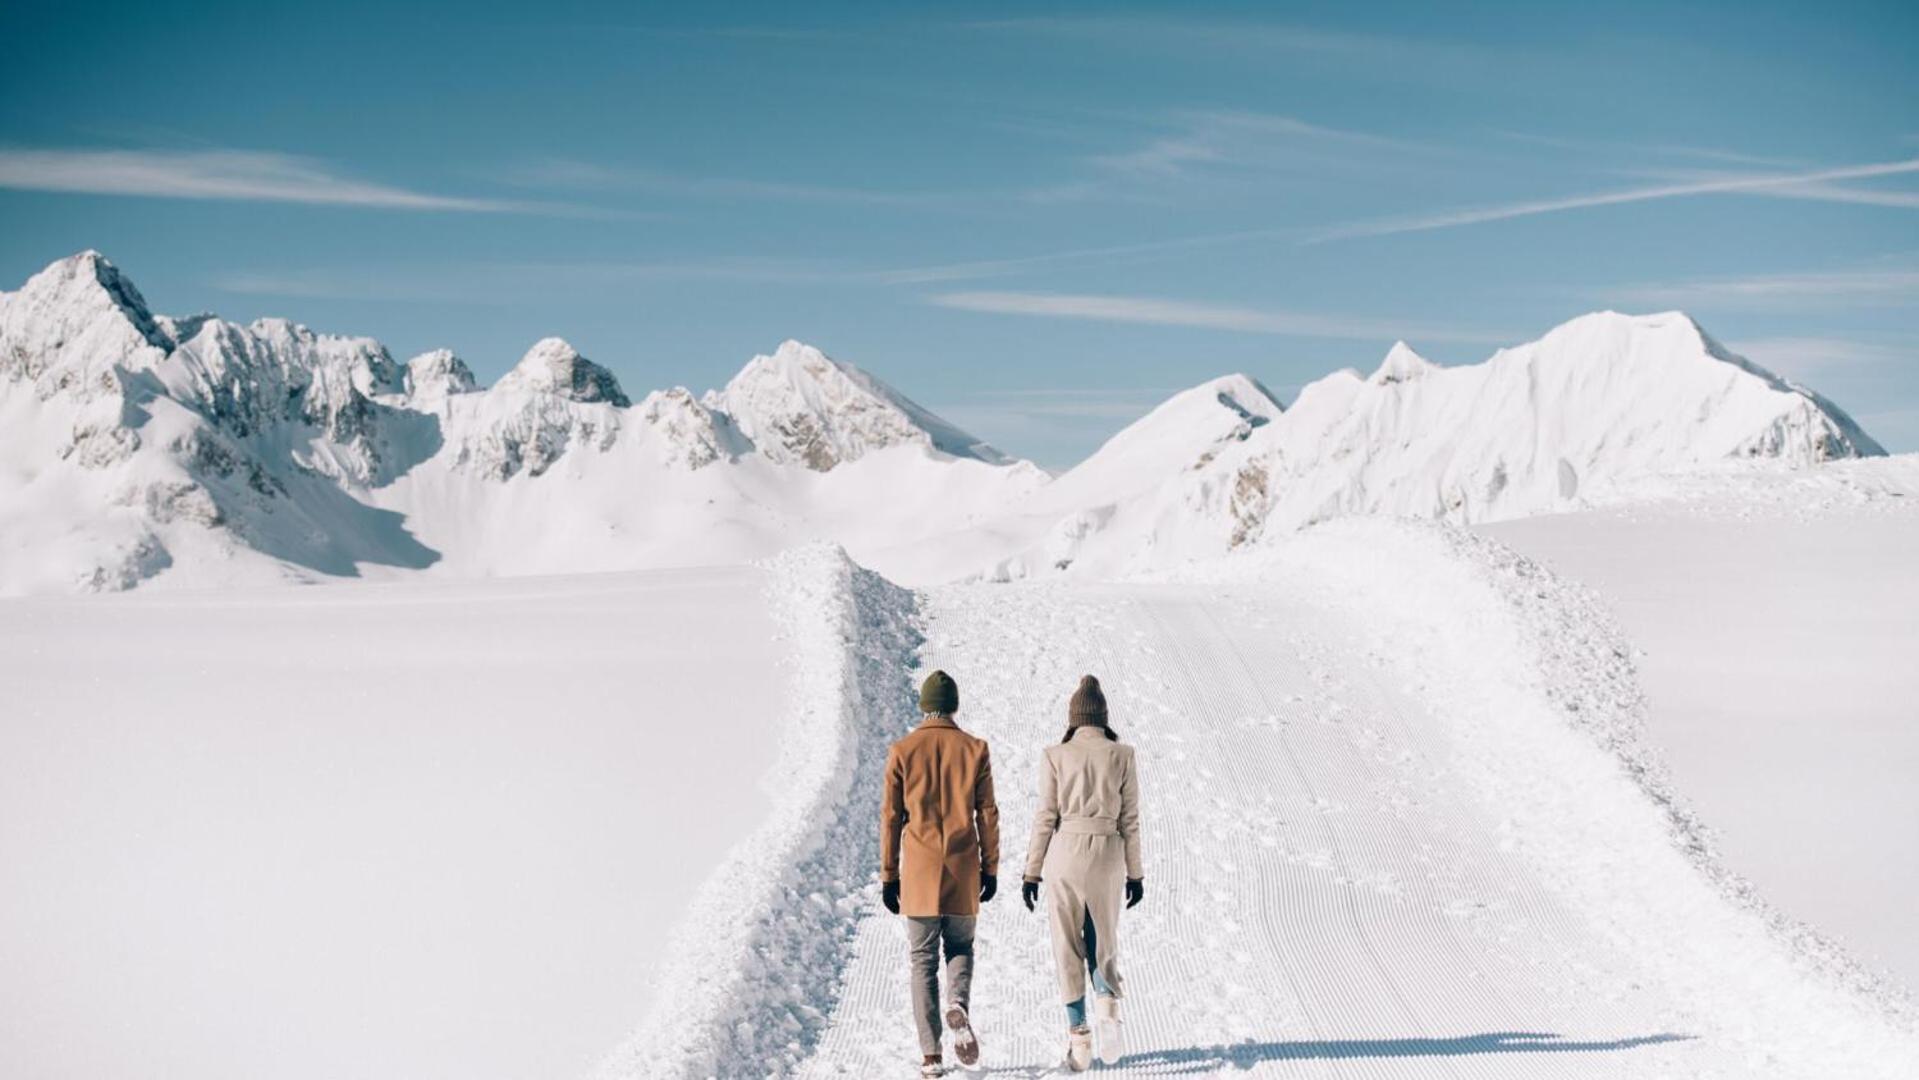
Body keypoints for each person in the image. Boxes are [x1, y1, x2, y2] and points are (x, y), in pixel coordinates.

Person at [1022, 675, 1145, 1072]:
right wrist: (1135, 874)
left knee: (1067, 946)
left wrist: (1031, 872)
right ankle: (1107, 1007)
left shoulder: (1055, 755)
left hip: (1065, 855)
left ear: (1074, 718)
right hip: (1108, 853)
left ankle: (1079, 1039)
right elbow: (1131, 820)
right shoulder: (1122, 754)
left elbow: (1046, 817)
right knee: (1102, 939)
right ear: (1103, 717)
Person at [881, 670, 1001, 1077]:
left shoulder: (902, 751)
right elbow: (987, 813)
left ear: (923, 705)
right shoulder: (975, 749)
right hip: (964, 867)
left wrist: (888, 875)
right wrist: (991, 867)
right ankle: (958, 1003)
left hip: (918, 871)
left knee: (921, 961)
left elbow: (891, 818)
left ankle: (931, 1056)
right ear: (953, 706)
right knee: (961, 947)